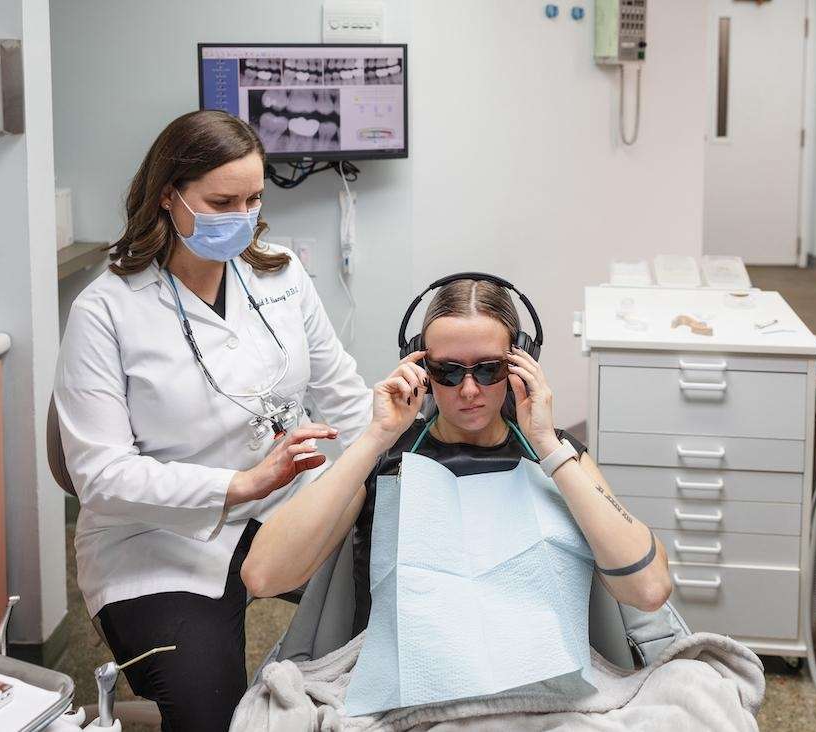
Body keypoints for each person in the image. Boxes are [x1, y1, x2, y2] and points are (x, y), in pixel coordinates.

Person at [53, 110, 371, 731]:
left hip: (286, 508)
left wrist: (409, 460)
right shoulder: (106, 310)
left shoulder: (279, 274)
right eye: (221, 201)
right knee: (213, 716)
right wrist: (242, 484)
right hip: (156, 541)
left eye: (253, 199)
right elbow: (101, 476)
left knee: (392, 608)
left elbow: (343, 394)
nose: (242, 217)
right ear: (168, 196)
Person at [242, 275, 672, 633]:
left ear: (521, 364)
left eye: (489, 369)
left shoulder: (557, 457)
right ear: (422, 371)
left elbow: (649, 591)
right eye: (447, 371)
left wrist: (546, 445)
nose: (469, 390)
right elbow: (264, 576)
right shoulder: (386, 458)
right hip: (408, 680)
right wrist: (376, 437)